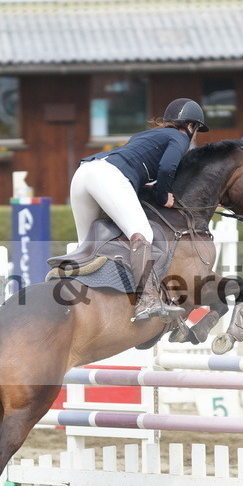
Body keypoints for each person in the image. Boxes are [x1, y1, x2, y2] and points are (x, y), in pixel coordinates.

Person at [70, 97, 209, 321]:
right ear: (190, 125)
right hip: (107, 175)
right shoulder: (179, 136)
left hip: (83, 174)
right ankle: (147, 300)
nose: (196, 135)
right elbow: (166, 168)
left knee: (86, 246)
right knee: (143, 234)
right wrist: (163, 197)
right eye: (197, 130)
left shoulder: (146, 136)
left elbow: (139, 175)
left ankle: (74, 301)